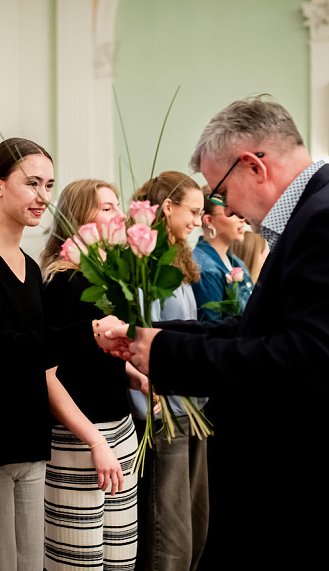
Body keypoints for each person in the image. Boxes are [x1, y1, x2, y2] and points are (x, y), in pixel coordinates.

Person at [96, 95, 329, 568]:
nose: (222, 207)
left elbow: (311, 360)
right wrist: (153, 335)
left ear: (253, 166)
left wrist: (164, 354)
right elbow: (257, 330)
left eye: (219, 192)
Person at [0, 139, 123, 571]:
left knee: (28, 563)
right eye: (31, 183)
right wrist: (87, 332)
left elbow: (41, 355)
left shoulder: (30, 266)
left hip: (29, 429)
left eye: (49, 185)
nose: (43, 196)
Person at [39, 179, 142, 570]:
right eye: (107, 208)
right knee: (79, 562)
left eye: (118, 206)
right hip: (78, 439)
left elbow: (100, 361)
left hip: (119, 430)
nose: (120, 215)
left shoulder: (106, 279)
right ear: (78, 216)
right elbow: (50, 374)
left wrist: (138, 376)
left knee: (120, 559)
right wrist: (95, 442)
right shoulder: (61, 282)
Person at [127, 171, 208, 571]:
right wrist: (150, 398)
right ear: (168, 208)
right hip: (163, 414)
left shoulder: (177, 258)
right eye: (192, 211)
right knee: (169, 533)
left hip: (190, 408)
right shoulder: (147, 264)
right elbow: (144, 336)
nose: (198, 220)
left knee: (195, 520)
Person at [192, 187, 254, 321]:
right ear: (208, 220)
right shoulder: (205, 270)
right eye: (229, 211)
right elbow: (212, 329)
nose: (242, 218)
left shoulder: (236, 262)